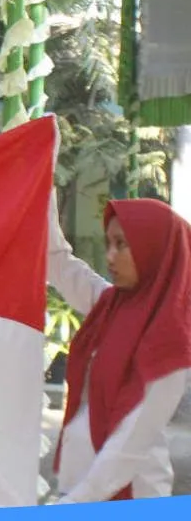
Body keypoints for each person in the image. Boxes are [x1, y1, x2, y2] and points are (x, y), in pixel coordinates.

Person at [45, 194, 191, 503]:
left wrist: (72, 504)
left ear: (154, 249)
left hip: (127, 498)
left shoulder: (171, 344)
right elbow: (56, 259)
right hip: (79, 488)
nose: (110, 256)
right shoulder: (108, 305)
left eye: (121, 244)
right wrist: (44, 159)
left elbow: (130, 444)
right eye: (108, 243)